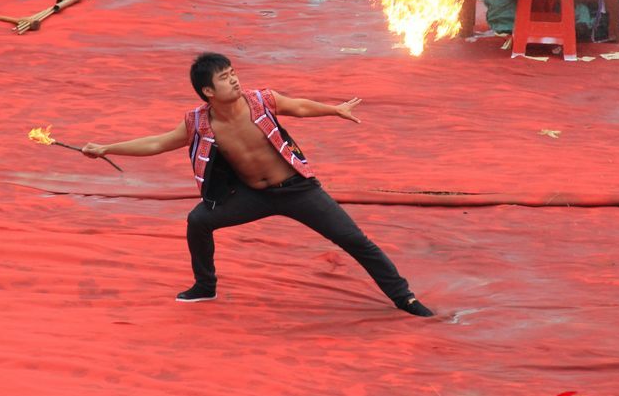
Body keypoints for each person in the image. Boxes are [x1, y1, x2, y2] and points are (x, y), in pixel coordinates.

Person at [82, 52, 434, 317]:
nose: (234, 81)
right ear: (208, 91)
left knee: (354, 239)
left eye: (234, 73)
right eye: (224, 78)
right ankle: (205, 286)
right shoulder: (198, 122)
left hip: (297, 190)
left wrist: (334, 109)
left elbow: (298, 107)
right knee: (198, 221)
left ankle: (404, 297)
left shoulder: (261, 101)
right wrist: (106, 149)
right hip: (251, 195)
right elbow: (157, 143)